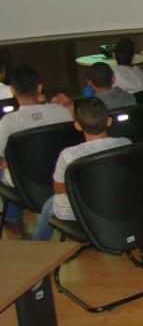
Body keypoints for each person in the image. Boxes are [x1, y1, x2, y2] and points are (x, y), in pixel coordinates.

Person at [30, 98, 131, 241]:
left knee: (52, 202)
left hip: (84, 211)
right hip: (118, 203)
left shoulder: (68, 155)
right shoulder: (125, 143)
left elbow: (58, 188)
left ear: (77, 125)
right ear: (109, 121)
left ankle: (36, 241)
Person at [0, 66, 73, 236]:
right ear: (39, 87)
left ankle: (13, 220)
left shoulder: (8, 122)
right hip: (59, 177)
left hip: (24, 181)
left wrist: (6, 163)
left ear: (13, 90)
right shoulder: (61, 112)